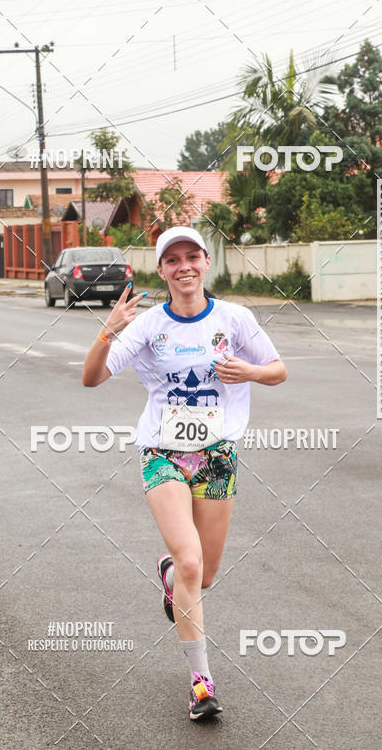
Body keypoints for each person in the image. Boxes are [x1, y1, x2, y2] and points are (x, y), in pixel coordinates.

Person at [81, 226, 287, 721]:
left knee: (204, 575)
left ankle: (170, 575)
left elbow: (278, 369)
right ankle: (201, 684)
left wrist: (249, 372)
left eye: (191, 256)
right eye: (172, 260)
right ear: (162, 270)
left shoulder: (235, 318)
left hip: (216, 456)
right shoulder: (149, 325)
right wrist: (108, 328)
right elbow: (91, 377)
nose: (184, 267)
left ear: (205, 261)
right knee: (192, 560)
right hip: (162, 453)